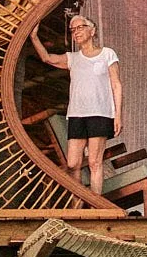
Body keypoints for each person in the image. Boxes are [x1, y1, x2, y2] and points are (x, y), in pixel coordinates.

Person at [31, 10, 123, 193]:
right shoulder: (72, 58)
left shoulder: (107, 54)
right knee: (73, 163)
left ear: (92, 30)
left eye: (80, 27)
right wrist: (34, 37)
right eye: (73, 30)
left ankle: (96, 207)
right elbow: (47, 58)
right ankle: (78, 202)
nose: (76, 32)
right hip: (77, 115)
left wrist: (118, 115)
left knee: (94, 162)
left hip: (100, 114)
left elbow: (116, 85)